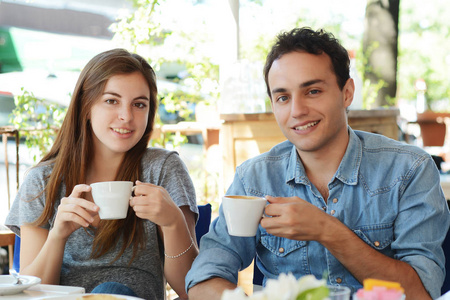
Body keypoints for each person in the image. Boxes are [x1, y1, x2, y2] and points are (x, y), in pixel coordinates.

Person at [185, 27, 450, 300]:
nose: (297, 111)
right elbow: (203, 280)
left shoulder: (410, 170)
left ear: (346, 93)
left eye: (312, 91)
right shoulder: (254, 178)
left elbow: (421, 293)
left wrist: (327, 230)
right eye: (283, 97)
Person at [5, 48, 198, 300]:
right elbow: (32, 293)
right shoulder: (43, 181)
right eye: (111, 101)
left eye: (139, 104)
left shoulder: (162, 168)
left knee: (112, 293)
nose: (126, 116)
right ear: (86, 106)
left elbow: (191, 290)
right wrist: (58, 235)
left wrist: (174, 224)